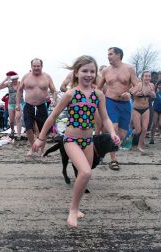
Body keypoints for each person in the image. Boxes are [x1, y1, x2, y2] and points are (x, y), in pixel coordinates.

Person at [32, 55, 120, 227]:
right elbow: (52, 117)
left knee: (84, 175)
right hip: (71, 139)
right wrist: (41, 138)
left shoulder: (99, 95)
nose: (88, 74)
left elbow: (106, 118)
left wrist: (112, 133)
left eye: (92, 71)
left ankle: (76, 208)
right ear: (76, 73)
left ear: (96, 74)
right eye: (84, 71)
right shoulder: (71, 94)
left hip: (88, 141)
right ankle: (72, 210)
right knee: (86, 172)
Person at [98, 47, 138, 170]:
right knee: (113, 128)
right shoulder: (105, 71)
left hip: (125, 104)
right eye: (107, 54)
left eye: (110, 54)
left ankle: (102, 149)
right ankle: (113, 160)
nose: (108, 56)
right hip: (110, 102)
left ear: (118, 55)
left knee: (122, 134)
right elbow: (98, 88)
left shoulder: (129, 69)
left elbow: (137, 85)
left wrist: (130, 93)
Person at [16, 58, 57, 156]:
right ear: (31, 66)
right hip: (28, 105)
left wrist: (54, 100)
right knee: (29, 128)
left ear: (41, 66)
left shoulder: (47, 77)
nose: (36, 68)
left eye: (38, 66)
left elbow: (54, 90)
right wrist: (17, 103)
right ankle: (33, 148)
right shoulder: (26, 76)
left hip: (41, 105)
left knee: (44, 129)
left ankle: (42, 150)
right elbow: (19, 90)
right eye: (34, 66)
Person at [129, 70, 155, 153]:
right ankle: (128, 136)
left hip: (146, 109)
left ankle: (140, 146)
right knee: (138, 130)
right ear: (142, 77)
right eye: (146, 76)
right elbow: (131, 93)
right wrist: (139, 93)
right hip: (136, 109)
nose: (147, 78)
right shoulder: (139, 85)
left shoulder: (151, 85)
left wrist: (151, 94)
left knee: (144, 129)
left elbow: (154, 95)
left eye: (149, 76)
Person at [0, 71, 23, 139]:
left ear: (17, 79)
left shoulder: (21, 83)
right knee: (11, 121)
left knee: (18, 118)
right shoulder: (9, 84)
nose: (14, 81)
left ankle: (19, 135)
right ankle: (12, 130)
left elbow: (29, 87)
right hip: (11, 104)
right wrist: (5, 79)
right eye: (13, 79)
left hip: (19, 103)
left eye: (15, 79)